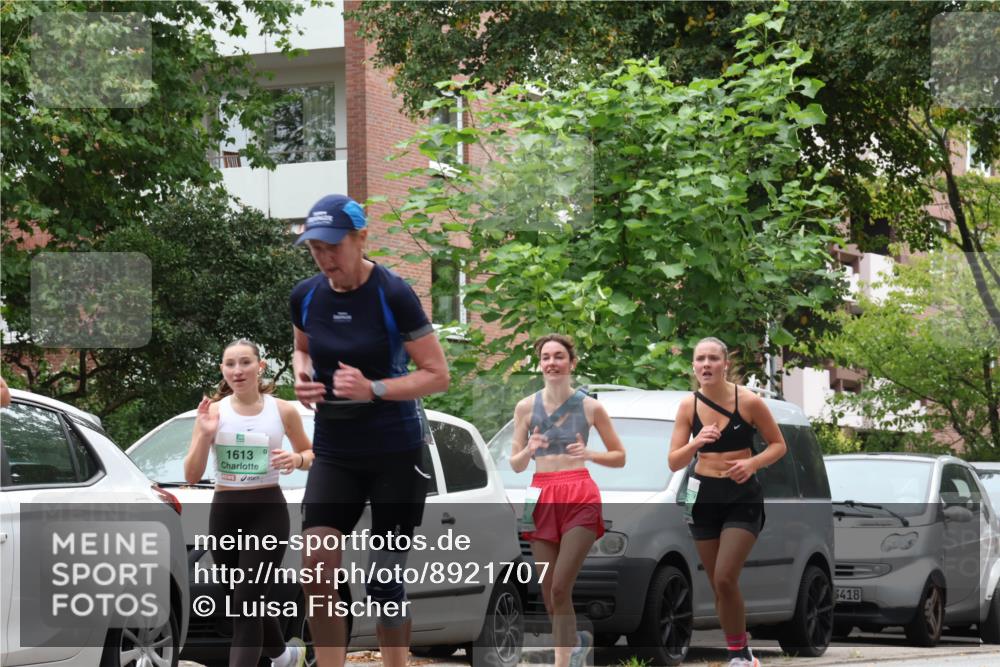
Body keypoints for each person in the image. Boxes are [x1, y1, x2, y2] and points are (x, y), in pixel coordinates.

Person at [289, 194, 449, 667]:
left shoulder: (393, 293)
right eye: (315, 248)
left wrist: (373, 388)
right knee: (317, 566)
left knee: (384, 581)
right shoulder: (306, 294)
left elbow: (438, 375)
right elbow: (301, 347)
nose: (324, 258)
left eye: (333, 246)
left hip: (394, 451)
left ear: (361, 239)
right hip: (335, 450)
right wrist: (301, 375)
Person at [183, 339, 312, 667]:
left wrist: (296, 459)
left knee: (245, 604)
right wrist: (203, 434)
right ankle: (285, 657)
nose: (237, 371)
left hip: (267, 512)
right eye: (230, 364)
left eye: (244, 363)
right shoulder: (213, 411)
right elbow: (192, 475)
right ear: (222, 370)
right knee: (242, 600)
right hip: (224, 512)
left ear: (260, 367)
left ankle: (276, 658)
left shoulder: (282, 410)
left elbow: (312, 454)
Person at [668, 337, 787, 667]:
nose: (706, 364)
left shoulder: (748, 401)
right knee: (717, 584)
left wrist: (752, 464)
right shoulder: (687, 406)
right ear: (693, 366)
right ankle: (743, 651)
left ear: (725, 365)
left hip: (742, 497)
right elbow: (674, 461)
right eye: (699, 359)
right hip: (704, 495)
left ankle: (738, 655)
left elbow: (778, 445)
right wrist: (697, 443)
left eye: (712, 359)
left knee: (724, 577)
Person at [509, 334, 626, 667]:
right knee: (548, 595)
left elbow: (620, 457)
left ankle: (563, 663)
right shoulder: (525, 408)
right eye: (546, 357)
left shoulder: (591, 407)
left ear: (571, 363)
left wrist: (590, 453)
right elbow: (516, 464)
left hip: (579, 494)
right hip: (542, 495)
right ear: (540, 364)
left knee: (561, 587)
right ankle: (574, 644)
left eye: (559, 356)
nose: (552, 363)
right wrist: (530, 450)